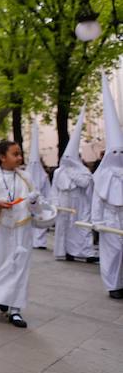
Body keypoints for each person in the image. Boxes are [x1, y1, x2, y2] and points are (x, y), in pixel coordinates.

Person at [0, 141, 57, 328]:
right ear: (2, 157)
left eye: (20, 154)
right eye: (15, 154)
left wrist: (33, 201)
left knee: (20, 267)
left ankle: (15, 310)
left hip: (21, 229)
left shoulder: (25, 177)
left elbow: (36, 204)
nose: (19, 158)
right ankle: (2, 295)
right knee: (1, 265)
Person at [52, 106, 99, 263]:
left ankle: (85, 252)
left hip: (78, 201)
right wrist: (55, 203)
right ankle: (65, 251)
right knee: (65, 227)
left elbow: (86, 183)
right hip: (64, 201)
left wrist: (73, 174)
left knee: (80, 226)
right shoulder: (58, 172)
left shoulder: (83, 170)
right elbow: (54, 189)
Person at [93, 76, 123, 299]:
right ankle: (113, 285)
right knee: (112, 253)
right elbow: (97, 199)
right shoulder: (102, 175)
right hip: (111, 219)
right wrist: (97, 220)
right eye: (115, 152)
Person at [26, 118, 51, 249]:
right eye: (32, 164)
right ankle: (31, 241)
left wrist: (49, 201)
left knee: (41, 219)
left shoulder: (44, 176)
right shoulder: (24, 175)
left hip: (41, 201)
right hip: (29, 201)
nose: (35, 166)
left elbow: (47, 190)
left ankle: (40, 242)